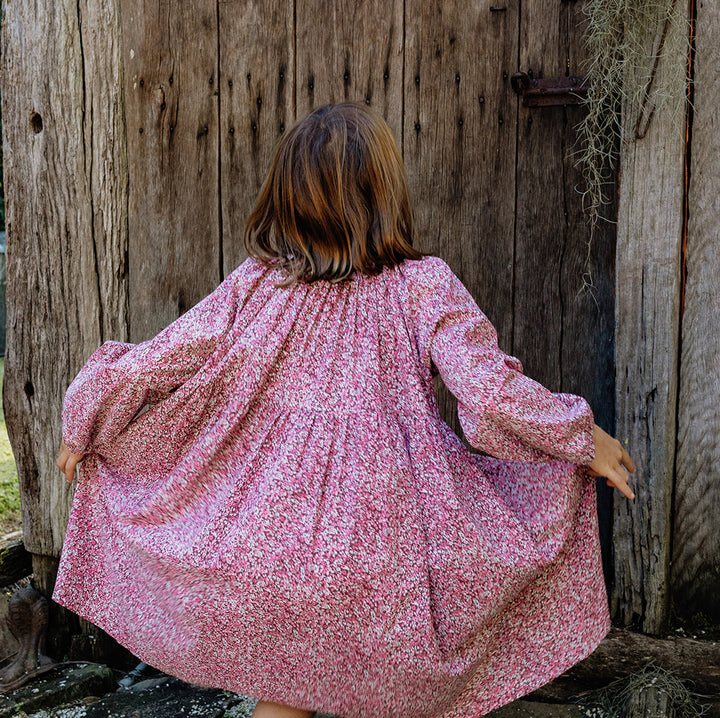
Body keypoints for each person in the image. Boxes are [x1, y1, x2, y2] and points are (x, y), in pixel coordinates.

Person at [54, 102, 635, 718]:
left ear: (286, 197)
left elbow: (160, 360)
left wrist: (87, 418)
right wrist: (580, 437)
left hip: (265, 550)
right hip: (390, 554)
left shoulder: (258, 284)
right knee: (398, 685)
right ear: (385, 192)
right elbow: (488, 393)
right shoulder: (423, 285)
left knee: (292, 691)